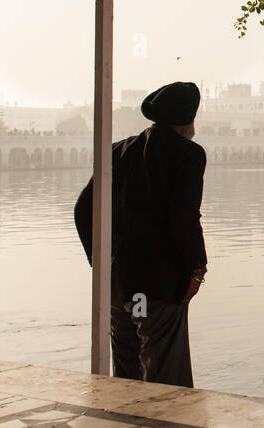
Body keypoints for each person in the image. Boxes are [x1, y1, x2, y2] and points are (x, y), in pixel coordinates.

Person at [74, 81, 207, 387]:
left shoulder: (118, 150)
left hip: (117, 282)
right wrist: (197, 268)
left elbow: (83, 209)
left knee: (126, 371)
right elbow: (184, 218)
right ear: (189, 120)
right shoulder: (187, 154)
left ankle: (125, 425)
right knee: (166, 372)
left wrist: (100, 262)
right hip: (159, 287)